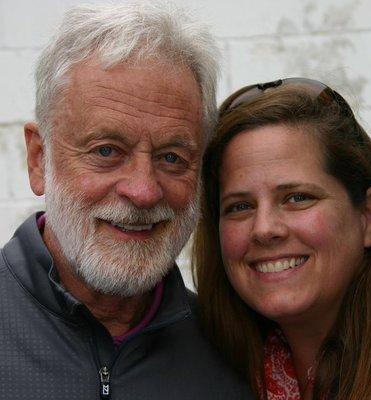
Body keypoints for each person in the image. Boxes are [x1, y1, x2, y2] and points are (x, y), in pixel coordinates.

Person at [0, 3, 254, 399]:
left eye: (172, 157)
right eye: (106, 151)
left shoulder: (233, 354)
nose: (143, 191)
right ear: (39, 159)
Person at [193, 77, 371, 399]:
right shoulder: (204, 368)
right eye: (240, 206)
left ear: (368, 215)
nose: (264, 228)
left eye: (298, 198)